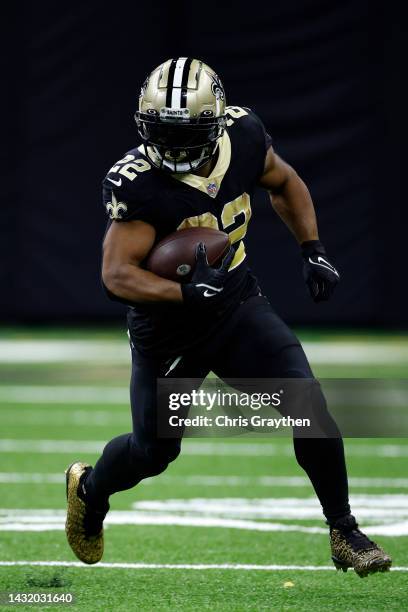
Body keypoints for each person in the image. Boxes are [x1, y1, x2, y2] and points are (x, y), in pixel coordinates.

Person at [65, 58, 391, 576]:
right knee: (153, 453)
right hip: (167, 331)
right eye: (162, 132)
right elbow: (117, 275)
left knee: (310, 407)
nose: (173, 146)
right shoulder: (139, 183)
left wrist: (312, 247)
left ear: (217, 122)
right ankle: (89, 489)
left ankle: (344, 530)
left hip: (236, 306)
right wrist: (183, 293)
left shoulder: (244, 136)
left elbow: (283, 182)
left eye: (187, 132)